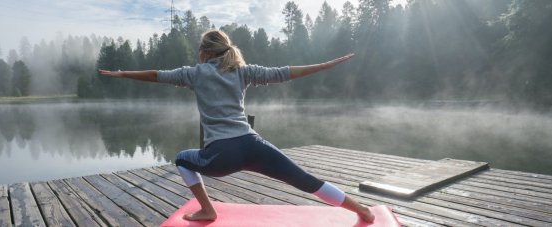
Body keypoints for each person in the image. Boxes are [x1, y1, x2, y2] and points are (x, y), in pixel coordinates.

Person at [99, 29, 375, 223]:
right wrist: (324, 65)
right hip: (254, 145)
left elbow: (156, 76)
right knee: (305, 180)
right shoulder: (241, 70)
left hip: (222, 155)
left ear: (205, 52)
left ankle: (207, 210)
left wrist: (122, 73)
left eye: (199, 49)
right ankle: (361, 210)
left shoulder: (194, 74)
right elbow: (283, 74)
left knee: (182, 159)